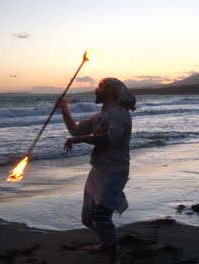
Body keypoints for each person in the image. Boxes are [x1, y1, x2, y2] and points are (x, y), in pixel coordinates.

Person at [57, 77, 136, 259]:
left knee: (100, 218)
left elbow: (110, 140)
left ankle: (112, 250)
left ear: (111, 90)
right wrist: (64, 109)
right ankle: (107, 241)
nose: (95, 89)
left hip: (115, 171)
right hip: (97, 171)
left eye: (100, 86)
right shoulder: (100, 116)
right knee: (87, 220)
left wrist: (80, 140)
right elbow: (75, 130)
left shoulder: (121, 113)